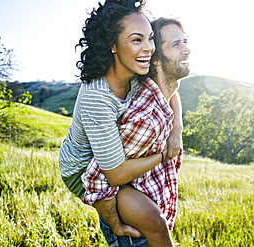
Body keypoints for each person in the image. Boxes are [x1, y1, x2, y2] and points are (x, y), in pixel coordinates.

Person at [58, 0, 183, 238]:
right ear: (112, 45)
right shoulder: (98, 97)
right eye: (137, 40)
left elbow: (170, 90)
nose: (148, 48)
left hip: (118, 157)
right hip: (83, 168)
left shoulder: (137, 70)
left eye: (150, 38)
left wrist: (177, 127)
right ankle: (116, 232)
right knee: (146, 219)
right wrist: (163, 155)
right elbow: (114, 174)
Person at [82, 17, 191, 246]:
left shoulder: (162, 97)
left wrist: (177, 127)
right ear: (157, 60)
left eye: (185, 42)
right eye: (176, 45)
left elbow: (171, 94)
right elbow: (97, 176)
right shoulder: (145, 119)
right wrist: (115, 220)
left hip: (149, 210)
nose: (187, 50)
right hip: (135, 230)